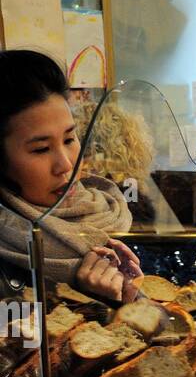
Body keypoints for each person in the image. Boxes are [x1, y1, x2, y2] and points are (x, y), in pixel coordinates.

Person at [0, 50, 142, 302]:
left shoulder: (113, 213)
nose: (66, 164)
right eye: (41, 149)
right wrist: (85, 301)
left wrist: (125, 301)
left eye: (69, 139)